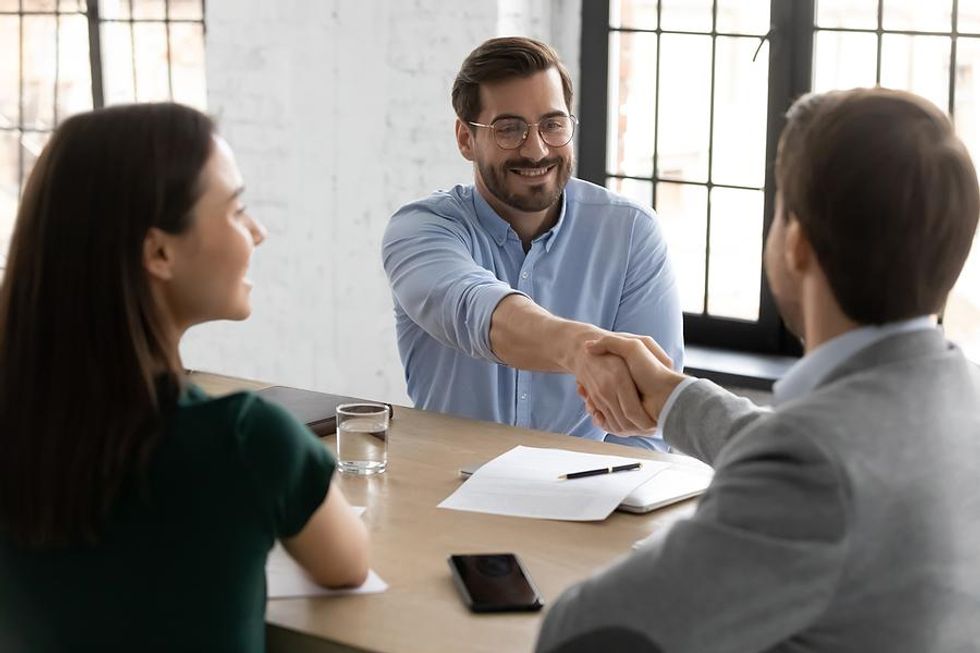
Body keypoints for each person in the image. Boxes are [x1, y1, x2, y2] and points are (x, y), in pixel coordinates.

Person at [536, 88, 980, 652]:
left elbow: (582, 634)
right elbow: (838, 454)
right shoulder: (960, 397)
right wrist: (673, 398)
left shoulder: (811, 469)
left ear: (795, 244)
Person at [0, 103, 369, 652]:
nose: (258, 233)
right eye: (236, 210)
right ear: (159, 251)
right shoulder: (246, 439)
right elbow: (348, 565)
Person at [382, 37, 683, 450]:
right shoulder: (420, 229)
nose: (536, 148)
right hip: (444, 493)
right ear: (465, 139)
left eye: (552, 124)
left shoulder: (631, 232)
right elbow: (475, 310)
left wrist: (619, 503)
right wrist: (578, 350)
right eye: (509, 129)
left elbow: (647, 423)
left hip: (587, 493)